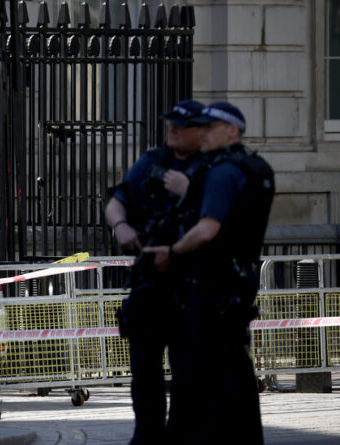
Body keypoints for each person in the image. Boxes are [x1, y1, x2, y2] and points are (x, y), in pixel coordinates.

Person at [144, 102, 274, 444]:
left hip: (211, 285)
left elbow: (207, 229)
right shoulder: (256, 168)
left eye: (210, 127)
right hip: (240, 282)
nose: (202, 133)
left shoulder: (222, 172)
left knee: (200, 376)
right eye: (200, 126)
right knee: (235, 371)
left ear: (232, 131)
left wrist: (172, 251)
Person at [104, 99, 207, 445]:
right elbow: (118, 198)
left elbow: (226, 216)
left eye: (182, 125)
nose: (173, 130)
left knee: (188, 373)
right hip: (150, 282)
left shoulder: (213, 165)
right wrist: (119, 225)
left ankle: (180, 436)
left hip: (191, 285)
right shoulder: (152, 161)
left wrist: (189, 190)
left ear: (200, 131)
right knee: (144, 370)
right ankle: (146, 436)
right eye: (170, 124)